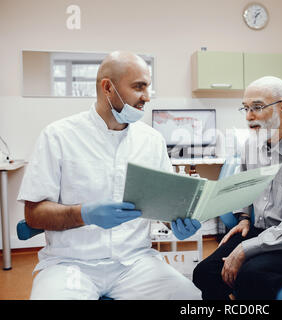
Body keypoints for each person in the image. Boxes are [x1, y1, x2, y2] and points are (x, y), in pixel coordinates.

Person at [17, 51, 201, 300]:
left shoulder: (152, 141)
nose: (146, 97)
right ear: (107, 87)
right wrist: (83, 213)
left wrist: (178, 223)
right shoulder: (58, 136)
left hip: (135, 263)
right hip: (71, 264)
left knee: (189, 297)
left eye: (148, 88)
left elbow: (164, 205)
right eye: (139, 87)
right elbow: (33, 214)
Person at [192, 76, 282, 300]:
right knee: (204, 273)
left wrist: (245, 248)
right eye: (246, 108)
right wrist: (243, 218)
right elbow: (244, 187)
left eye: (258, 107)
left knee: (251, 277)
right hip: (266, 232)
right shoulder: (252, 144)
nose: (249, 116)